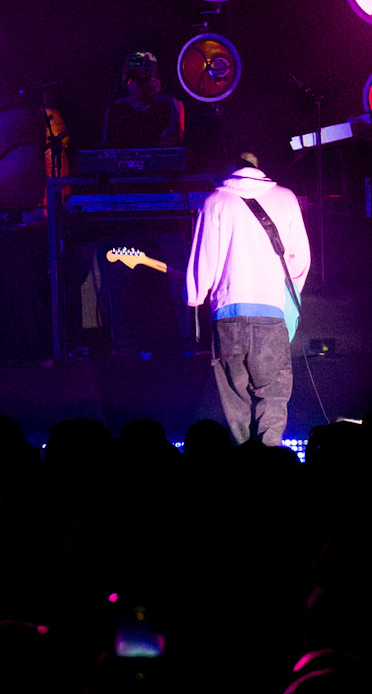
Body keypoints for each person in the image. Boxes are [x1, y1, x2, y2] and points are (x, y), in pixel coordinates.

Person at [185, 153, 311, 445]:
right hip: (270, 313)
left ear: (230, 168)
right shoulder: (286, 198)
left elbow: (204, 260)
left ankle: (242, 461)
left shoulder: (215, 200)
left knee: (235, 401)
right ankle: (270, 461)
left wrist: (195, 296)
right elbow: (299, 261)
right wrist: (286, 295)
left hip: (227, 316)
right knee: (273, 395)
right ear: (258, 166)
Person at [100, 50, 186, 148]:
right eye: (133, 77)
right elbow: (107, 147)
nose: (138, 83)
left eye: (144, 77)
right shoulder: (117, 109)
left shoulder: (169, 106)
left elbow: (172, 143)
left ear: (156, 78)